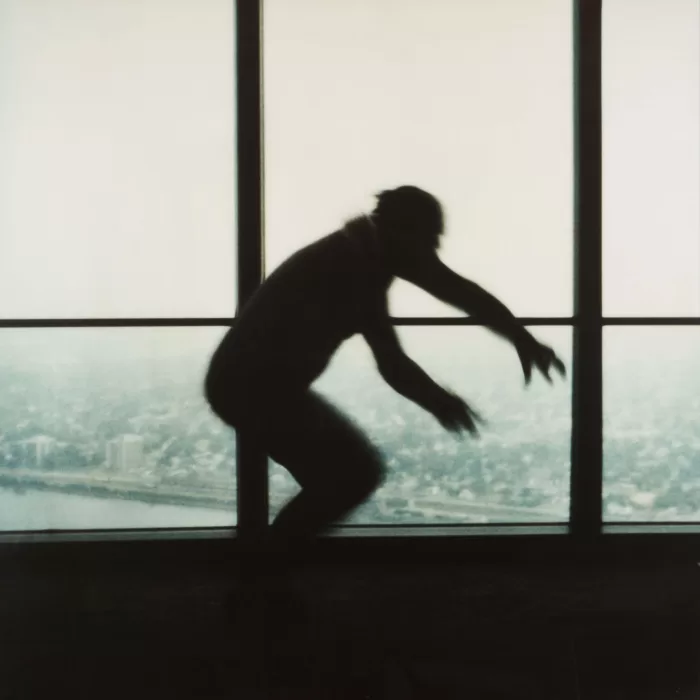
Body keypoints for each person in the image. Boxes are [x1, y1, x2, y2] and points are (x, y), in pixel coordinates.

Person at [204, 185, 565, 578]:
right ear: (403, 234)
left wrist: (521, 340)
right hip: (255, 390)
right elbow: (397, 358)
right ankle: (261, 581)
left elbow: (455, 292)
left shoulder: (359, 253)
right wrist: (442, 398)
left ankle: (265, 576)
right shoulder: (355, 270)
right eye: (428, 240)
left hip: (249, 386)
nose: (432, 252)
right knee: (353, 475)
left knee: (339, 479)